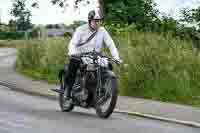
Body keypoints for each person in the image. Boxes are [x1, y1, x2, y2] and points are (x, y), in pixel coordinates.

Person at [64, 9, 122, 99]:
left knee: (108, 66)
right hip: (80, 55)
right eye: (95, 21)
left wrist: (116, 57)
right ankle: (68, 89)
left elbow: (111, 44)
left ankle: (100, 89)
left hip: (95, 56)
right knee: (73, 64)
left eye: (99, 21)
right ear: (90, 20)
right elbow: (73, 43)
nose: (97, 23)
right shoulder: (81, 29)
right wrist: (73, 53)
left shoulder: (102, 31)